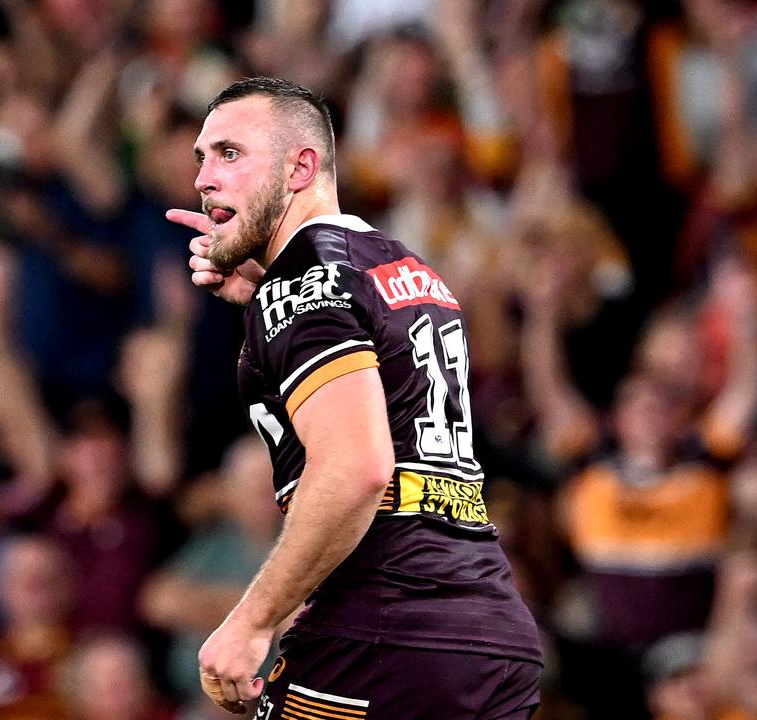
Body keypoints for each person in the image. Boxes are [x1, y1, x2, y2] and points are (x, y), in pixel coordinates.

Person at [166, 77, 542, 718]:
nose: (204, 176)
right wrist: (265, 299)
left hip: (381, 623)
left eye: (229, 153)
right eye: (202, 156)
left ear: (301, 167)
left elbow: (356, 468)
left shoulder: (304, 287)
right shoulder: (399, 265)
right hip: (488, 630)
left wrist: (251, 622)